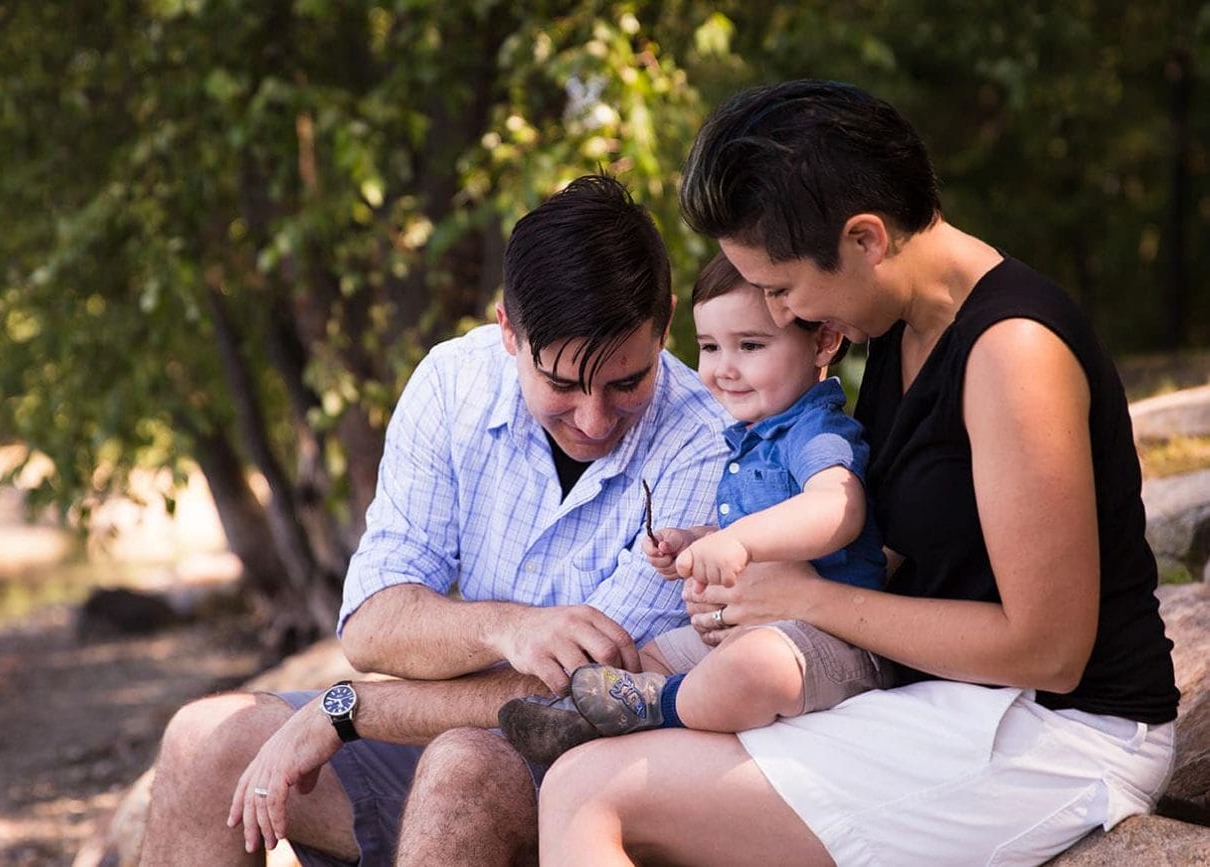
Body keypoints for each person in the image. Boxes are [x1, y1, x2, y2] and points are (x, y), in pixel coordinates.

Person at [536, 80, 1180, 867]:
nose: (779, 316)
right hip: (955, 703)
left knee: (588, 789)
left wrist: (807, 597)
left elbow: (1049, 649)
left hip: (1063, 733)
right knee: (614, 769)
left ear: (866, 239)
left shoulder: (1013, 352)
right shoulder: (900, 334)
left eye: (782, 288)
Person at [138, 174, 730, 867]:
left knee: (461, 766)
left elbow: (577, 694)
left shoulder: (706, 440)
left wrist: (348, 710)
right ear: (509, 332)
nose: (595, 420)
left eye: (627, 381)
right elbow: (372, 623)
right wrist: (508, 625)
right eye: (563, 384)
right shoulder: (453, 381)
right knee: (200, 738)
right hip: (447, 733)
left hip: (597, 772)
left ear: (665, 321)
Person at [500, 252, 890, 760]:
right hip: (759, 627)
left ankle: (658, 709)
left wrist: (738, 542)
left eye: (751, 345)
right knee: (648, 658)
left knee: (754, 667)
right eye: (710, 347)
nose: (725, 369)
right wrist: (698, 540)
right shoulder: (751, 438)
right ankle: (578, 720)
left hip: (835, 643)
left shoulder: (815, 430)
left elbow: (837, 509)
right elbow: (757, 523)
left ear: (823, 342)